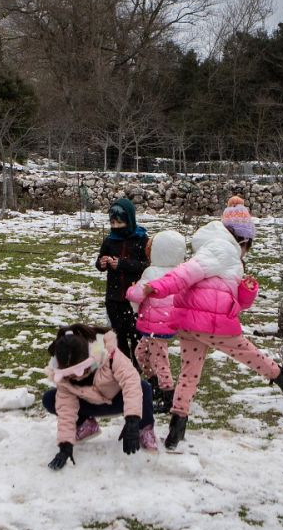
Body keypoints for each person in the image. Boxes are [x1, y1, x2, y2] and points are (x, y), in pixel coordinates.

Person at [127, 198, 283, 450]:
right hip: (208, 322)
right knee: (245, 351)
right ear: (243, 240)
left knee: (189, 373)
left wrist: (247, 291)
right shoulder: (220, 249)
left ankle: (176, 429)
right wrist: (156, 286)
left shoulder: (219, 250)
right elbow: (185, 273)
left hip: (190, 322)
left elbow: (234, 300)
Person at [42, 324, 157, 469]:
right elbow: (66, 409)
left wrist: (132, 420)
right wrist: (65, 446)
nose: (75, 376)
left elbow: (131, 383)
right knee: (50, 398)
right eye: (69, 373)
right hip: (89, 405)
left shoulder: (110, 355)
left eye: (79, 370)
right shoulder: (63, 378)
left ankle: (144, 428)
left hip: (118, 401)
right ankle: (85, 425)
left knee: (143, 387)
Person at [132, 229, 186, 414]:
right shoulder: (180, 271)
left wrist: (132, 291)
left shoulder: (151, 272)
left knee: (158, 359)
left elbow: (137, 295)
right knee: (141, 352)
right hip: (163, 323)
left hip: (156, 325)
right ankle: (153, 384)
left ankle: (167, 394)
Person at [94, 198, 149, 362]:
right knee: (119, 335)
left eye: (120, 223)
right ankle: (122, 365)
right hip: (114, 297)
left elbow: (146, 266)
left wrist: (123, 264)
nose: (116, 227)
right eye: (113, 223)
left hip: (134, 299)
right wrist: (102, 263)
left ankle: (138, 366)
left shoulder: (141, 240)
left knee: (136, 335)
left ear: (129, 220)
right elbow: (99, 261)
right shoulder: (110, 240)